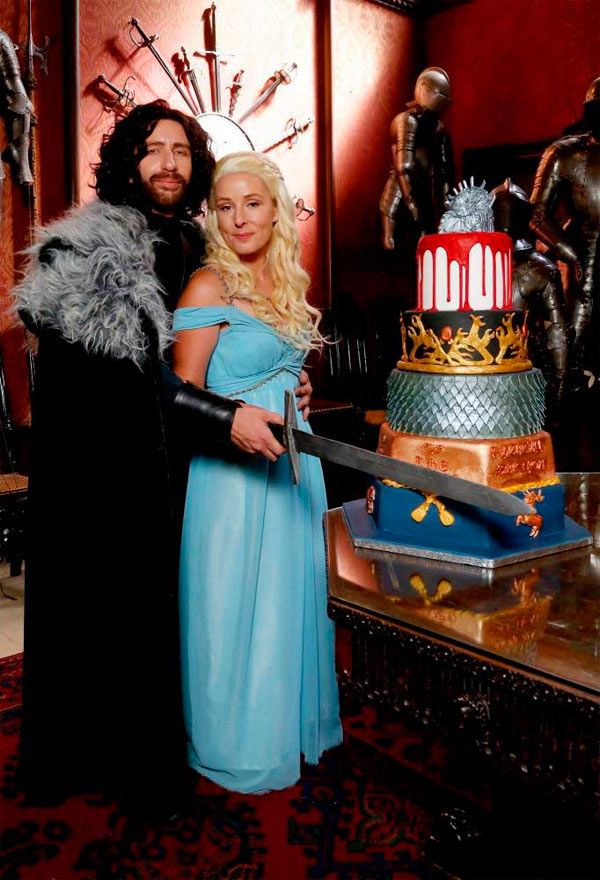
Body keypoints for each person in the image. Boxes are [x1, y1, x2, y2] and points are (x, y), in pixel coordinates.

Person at [11, 101, 311, 819]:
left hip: (177, 466)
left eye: (181, 149)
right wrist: (225, 418)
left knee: (183, 613)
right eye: (152, 149)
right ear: (126, 163)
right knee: (110, 624)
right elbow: (131, 383)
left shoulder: (197, 244)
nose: (169, 163)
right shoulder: (92, 250)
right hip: (104, 477)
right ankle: (119, 770)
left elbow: (222, 346)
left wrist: (281, 380)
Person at [172, 151, 343, 794]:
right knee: (231, 601)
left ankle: (286, 724)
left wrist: (297, 385)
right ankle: (233, 741)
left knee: (289, 598)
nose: (239, 219)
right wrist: (237, 417)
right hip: (231, 474)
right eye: (226, 207)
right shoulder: (208, 285)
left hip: (294, 463)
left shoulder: (286, 281)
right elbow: (181, 395)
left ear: (276, 211)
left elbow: (278, 364)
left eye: (252, 204)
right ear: (213, 217)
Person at [530, 76, 600, 384]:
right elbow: (536, 215)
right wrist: (569, 252)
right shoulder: (564, 154)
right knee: (571, 347)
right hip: (582, 255)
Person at [379, 67, 454, 250]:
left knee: (426, 235)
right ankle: (389, 235)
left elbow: (443, 169)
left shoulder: (438, 128)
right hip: (401, 183)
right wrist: (411, 202)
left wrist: (446, 203)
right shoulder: (407, 120)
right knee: (391, 236)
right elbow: (403, 167)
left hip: (425, 184)